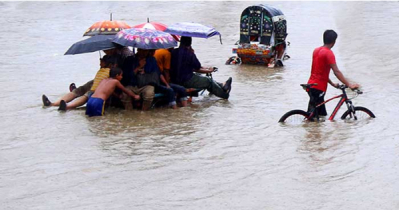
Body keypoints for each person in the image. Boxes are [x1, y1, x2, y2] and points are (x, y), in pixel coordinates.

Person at [306, 29, 359, 118]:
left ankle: (313, 130)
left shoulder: (316, 50)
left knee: (319, 116)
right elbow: (336, 72)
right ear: (334, 41)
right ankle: (310, 128)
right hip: (319, 88)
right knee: (314, 116)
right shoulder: (328, 53)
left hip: (311, 85)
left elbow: (320, 72)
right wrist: (349, 84)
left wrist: (332, 84)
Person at [42, 55, 116, 110]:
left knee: (87, 94)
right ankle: (53, 104)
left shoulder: (113, 70)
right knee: (79, 90)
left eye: (102, 62)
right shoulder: (103, 68)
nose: (100, 64)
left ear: (109, 64)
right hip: (95, 82)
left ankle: (67, 106)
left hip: (99, 87)